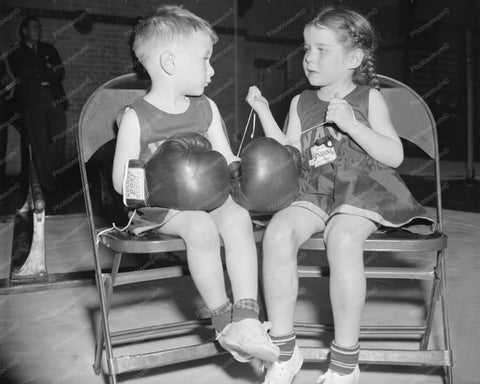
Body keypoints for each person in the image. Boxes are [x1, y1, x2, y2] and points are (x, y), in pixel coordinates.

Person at [246, 6, 432, 384]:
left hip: (363, 186)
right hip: (314, 185)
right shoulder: (301, 102)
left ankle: (346, 360)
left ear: (353, 58)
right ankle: (284, 350)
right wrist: (264, 111)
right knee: (278, 233)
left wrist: (353, 125)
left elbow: (394, 155)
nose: (309, 58)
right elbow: (289, 148)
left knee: (342, 237)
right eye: (305, 49)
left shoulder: (368, 98)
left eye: (321, 49)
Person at [111, 5, 279, 363]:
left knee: (236, 218)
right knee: (201, 226)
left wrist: (254, 170)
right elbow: (120, 179)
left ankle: (247, 317)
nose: (212, 69)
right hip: (161, 208)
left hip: (211, 197)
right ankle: (223, 322)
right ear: (171, 63)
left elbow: (226, 156)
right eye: (205, 59)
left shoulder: (206, 108)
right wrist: (162, 178)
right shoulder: (135, 117)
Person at [9, 16, 67, 191]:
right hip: (32, 101)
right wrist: (46, 67)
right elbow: (22, 71)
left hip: (53, 97)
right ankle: (44, 183)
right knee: (38, 141)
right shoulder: (16, 51)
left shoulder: (49, 48)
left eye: (39, 27)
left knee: (59, 137)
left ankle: (53, 176)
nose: (38, 30)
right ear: (24, 31)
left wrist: (38, 71)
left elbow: (60, 71)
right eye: (34, 27)